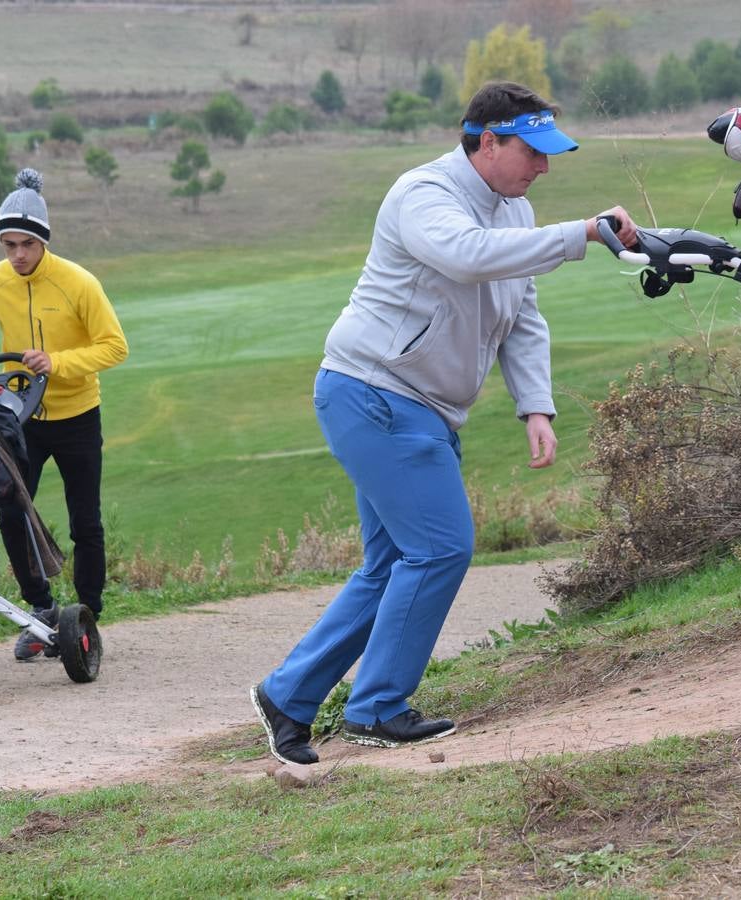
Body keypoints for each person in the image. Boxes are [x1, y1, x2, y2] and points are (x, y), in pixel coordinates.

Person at [250, 82, 639, 764]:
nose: (542, 168)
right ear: (487, 141)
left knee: (393, 562)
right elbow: (467, 256)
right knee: (440, 548)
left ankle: (290, 694)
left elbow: (523, 317)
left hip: (417, 409)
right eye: (533, 152)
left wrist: (535, 406)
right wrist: (581, 233)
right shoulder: (423, 195)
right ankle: (375, 707)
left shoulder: (516, 211)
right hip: (373, 395)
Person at [0, 168, 129, 660]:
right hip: (21, 422)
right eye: (8, 244)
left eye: (26, 244)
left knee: (86, 523)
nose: (17, 255)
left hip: (78, 415)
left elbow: (115, 347)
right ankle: (42, 613)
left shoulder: (78, 282)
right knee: (11, 510)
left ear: (43, 242)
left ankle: (85, 620)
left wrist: (56, 363)